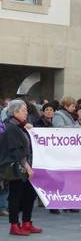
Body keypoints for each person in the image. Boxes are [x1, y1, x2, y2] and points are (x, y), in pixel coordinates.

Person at [0, 100, 42, 236]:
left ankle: (27, 222)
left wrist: (28, 128)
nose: (26, 112)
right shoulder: (10, 127)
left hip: (26, 166)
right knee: (15, 196)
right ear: (15, 112)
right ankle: (14, 225)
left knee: (29, 195)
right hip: (16, 168)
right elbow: (16, 151)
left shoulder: (21, 126)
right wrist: (28, 167)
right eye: (23, 110)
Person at [34, 103, 61, 215]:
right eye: (47, 110)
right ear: (43, 112)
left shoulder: (56, 123)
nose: (49, 112)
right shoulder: (38, 123)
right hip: (42, 154)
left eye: (51, 110)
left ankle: (51, 202)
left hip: (53, 154)